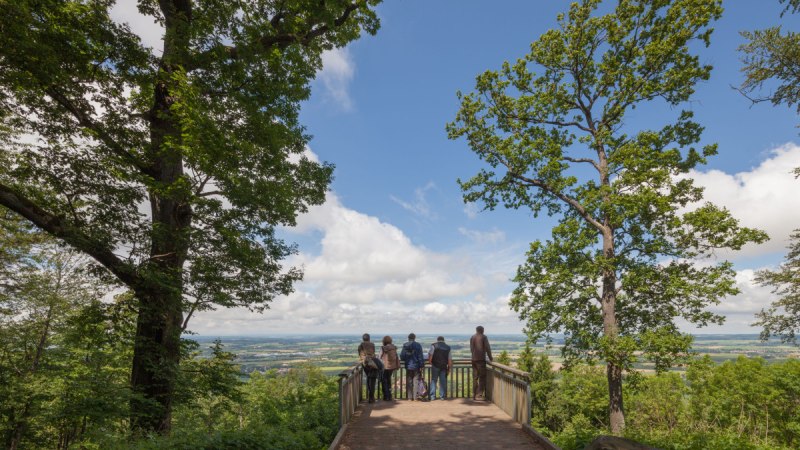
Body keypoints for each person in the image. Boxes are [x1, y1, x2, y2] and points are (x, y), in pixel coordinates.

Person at [358, 333, 383, 403]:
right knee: (372, 380)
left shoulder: (360, 346)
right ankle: (371, 397)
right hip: (373, 363)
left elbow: (360, 355)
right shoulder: (372, 344)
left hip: (365, 364)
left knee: (369, 378)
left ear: (363, 339)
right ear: (369, 338)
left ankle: (371, 397)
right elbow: (373, 353)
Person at [470, 325, 493, 400]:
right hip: (481, 360)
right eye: (483, 330)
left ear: (476, 330)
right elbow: (487, 347)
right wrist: (491, 358)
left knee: (475, 377)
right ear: (482, 330)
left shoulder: (472, 337)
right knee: (482, 377)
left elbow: (471, 348)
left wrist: (473, 356)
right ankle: (479, 395)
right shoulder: (484, 337)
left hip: (474, 359)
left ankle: (474, 394)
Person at [400, 332, 425, 401]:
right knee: (416, 381)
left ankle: (409, 397)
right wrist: (422, 365)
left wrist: (406, 359)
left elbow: (402, 356)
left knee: (409, 381)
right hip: (416, 366)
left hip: (408, 366)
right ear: (414, 338)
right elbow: (420, 356)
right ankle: (415, 397)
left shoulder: (405, 345)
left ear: (408, 338)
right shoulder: (418, 345)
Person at [427, 336, 452, 400]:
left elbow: (430, 356)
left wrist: (431, 363)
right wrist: (449, 368)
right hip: (444, 367)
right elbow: (449, 360)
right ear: (443, 340)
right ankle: (442, 396)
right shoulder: (448, 347)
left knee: (433, 380)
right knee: (442, 381)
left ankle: (432, 396)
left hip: (435, 365)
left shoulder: (433, 346)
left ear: (437, 340)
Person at [379, 335, 400, 401]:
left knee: (384, 381)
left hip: (384, 367)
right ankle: (390, 395)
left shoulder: (383, 348)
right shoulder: (394, 348)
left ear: (384, 341)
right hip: (392, 367)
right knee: (388, 380)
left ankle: (386, 396)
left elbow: (379, 357)